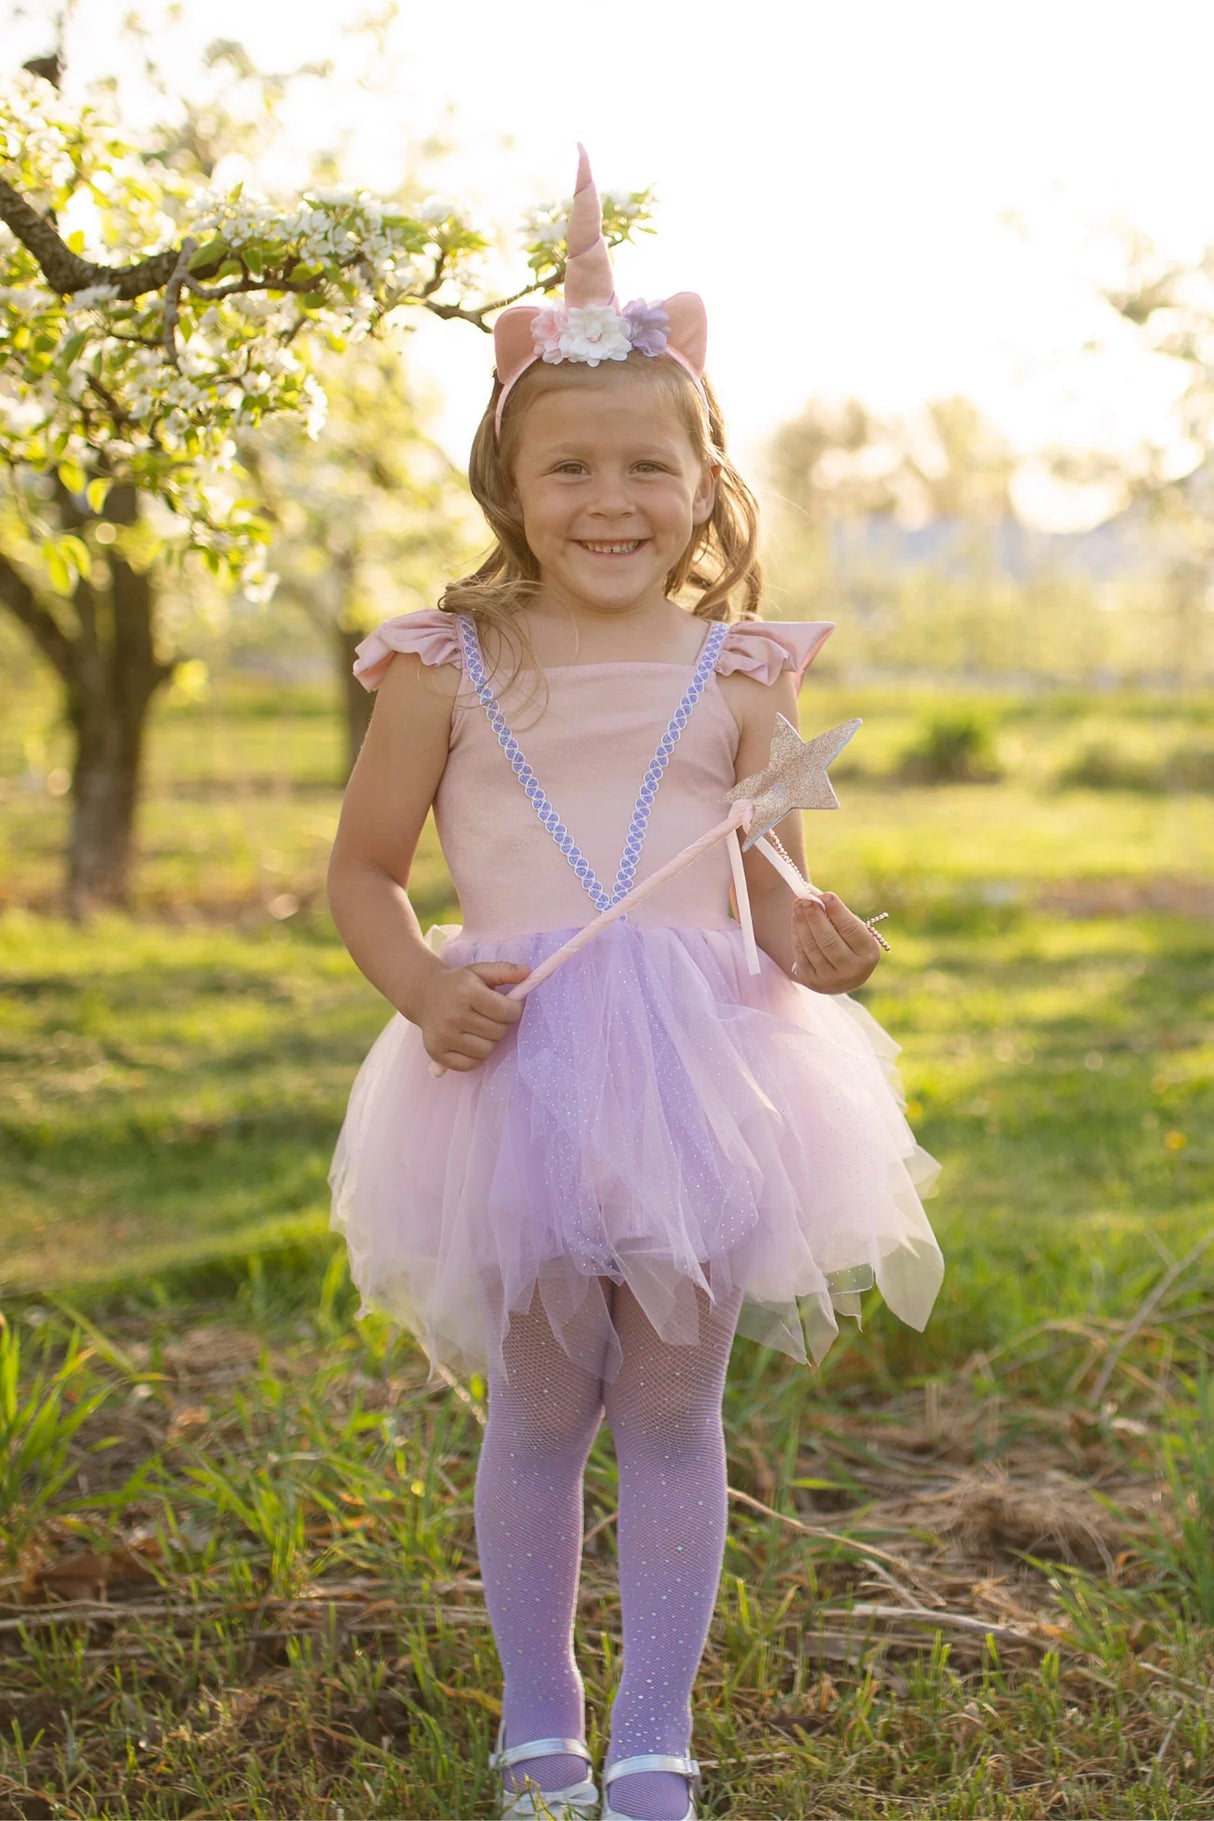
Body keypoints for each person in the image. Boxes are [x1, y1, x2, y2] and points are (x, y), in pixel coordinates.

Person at [326, 147, 943, 1821]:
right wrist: (415, 988)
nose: (611, 498)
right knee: (543, 1392)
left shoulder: (744, 668)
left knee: (671, 1390)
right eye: (570, 466)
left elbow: (759, 869)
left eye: (647, 467)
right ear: (507, 482)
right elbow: (362, 873)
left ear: (703, 479)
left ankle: (656, 1736)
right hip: (511, 1060)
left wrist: (811, 926)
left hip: (701, 1065)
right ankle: (542, 1720)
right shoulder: (438, 661)